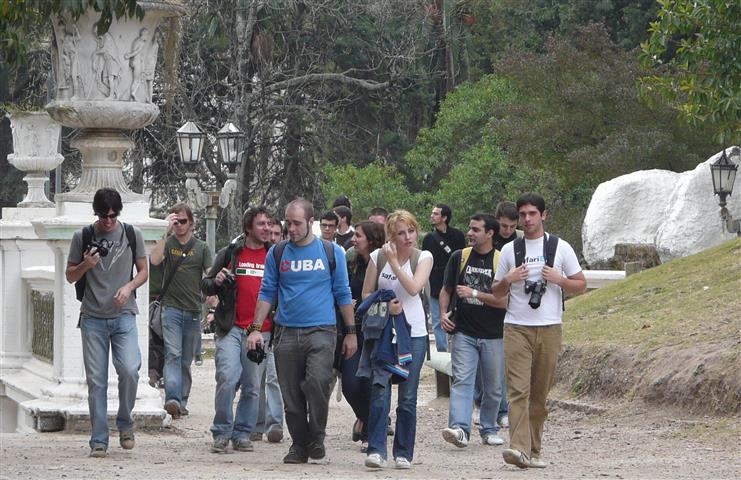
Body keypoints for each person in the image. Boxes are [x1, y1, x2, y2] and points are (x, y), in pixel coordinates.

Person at [246, 198, 357, 464]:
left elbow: (343, 293)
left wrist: (351, 332)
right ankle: (299, 444)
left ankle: (316, 436)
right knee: (291, 394)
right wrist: (255, 329)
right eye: (288, 223)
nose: (291, 228)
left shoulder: (331, 252)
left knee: (318, 382)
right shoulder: (277, 253)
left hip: (321, 330)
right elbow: (267, 292)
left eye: (297, 223)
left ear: (310, 222)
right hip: (286, 331)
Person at [493, 193, 586, 469]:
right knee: (518, 391)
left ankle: (533, 450)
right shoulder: (509, 250)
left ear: (543, 215)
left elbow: (581, 284)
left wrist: (559, 280)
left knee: (539, 394)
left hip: (549, 327)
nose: (527, 219)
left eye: (533, 213)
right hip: (516, 327)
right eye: (523, 214)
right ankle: (518, 448)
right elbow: (496, 291)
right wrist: (508, 279)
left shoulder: (560, 247)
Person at [65, 188, 147, 458]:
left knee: (130, 370)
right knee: (97, 382)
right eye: (103, 216)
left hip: (124, 315)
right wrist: (86, 265)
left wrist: (129, 286)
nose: (109, 221)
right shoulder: (82, 236)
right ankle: (99, 439)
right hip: (93, 318)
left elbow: (144, 271)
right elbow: (70, 276)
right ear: (96, 213)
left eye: (113, 215)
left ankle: (125, 422)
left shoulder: (132, 234)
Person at [361, 210, 433, 470]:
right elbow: (366, 294)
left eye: (411, 231)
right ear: (391, 236)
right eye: (401, 233)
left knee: (408, 395)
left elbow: (413, 288)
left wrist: (394, 263)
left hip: (413, 334)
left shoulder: (423, 257)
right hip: (384, 333)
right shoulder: (377, 257)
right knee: (380, 390)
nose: (407, 237)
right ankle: (376, 449)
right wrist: (384, 303)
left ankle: (403, 452)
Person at [201, 206, 274, 453]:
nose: (266, 229)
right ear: (248, 228)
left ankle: (242, 433)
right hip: (230, 327)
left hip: (261, 330)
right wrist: (216, 281)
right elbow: (206, 285)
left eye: (269, 224)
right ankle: (221, 432)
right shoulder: (231, 253)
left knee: (252, 386)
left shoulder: (274, 255)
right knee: (227, 377)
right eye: (261, 224)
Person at [439, 213, 507, 449]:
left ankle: (489, 428)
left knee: (493, 387)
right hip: (463, 332)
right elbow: (446, 290)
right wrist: (443, 314)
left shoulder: (501, 260)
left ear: (490, 233)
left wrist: (475, 293)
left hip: (494, 334)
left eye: (476, 230)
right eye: (470, 228)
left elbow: (505, 301)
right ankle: (460, 429)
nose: (470, 233)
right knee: (462, 381)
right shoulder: (459, 257)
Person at [150, 204, 213, 419]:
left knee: (185, 360)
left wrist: (213, 295)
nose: (178, 225)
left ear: (191, 224)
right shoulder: (168, 243)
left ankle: (182, 401)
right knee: (173, 355)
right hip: (171, 309)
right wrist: (164, 231)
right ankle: (173, 399)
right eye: (175, 221)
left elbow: (209, 274)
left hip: (193, 310)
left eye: (182, 221)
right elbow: (154, 260)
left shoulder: (201, 247)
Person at [343, 221, 386, 453]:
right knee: (350, 384)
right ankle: (366, 418)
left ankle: (371, 433)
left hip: (376, 331)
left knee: (370, 384)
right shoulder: (351, 263)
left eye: (358, 236)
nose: (353, 239)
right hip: (352, 331)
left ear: (371, 239)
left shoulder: (383, 264)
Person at [251, 219, 285, 444]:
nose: (272, 238)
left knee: (273, 377)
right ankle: (256, 423)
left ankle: (275, 424)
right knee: (256, 378)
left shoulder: (285, 258)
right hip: (258, 326)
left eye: (277, 234)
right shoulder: (252, 254)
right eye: (269, 233)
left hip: (279, 328)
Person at [422, 203, 466, 353]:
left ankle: (457, 350)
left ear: (444, 217)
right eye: (432, 213)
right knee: (437, 320)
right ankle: (442, 352)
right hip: (435, 284)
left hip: (455, 283)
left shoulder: (458, 236)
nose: (432, 216)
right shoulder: (429, 238)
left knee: (458, 318)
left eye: (435, 214)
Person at [148, 261, 165, 388]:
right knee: (150, 338)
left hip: (166, 298)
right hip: (149, 297)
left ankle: (162, 373)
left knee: (162, 338)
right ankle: (152, 372)